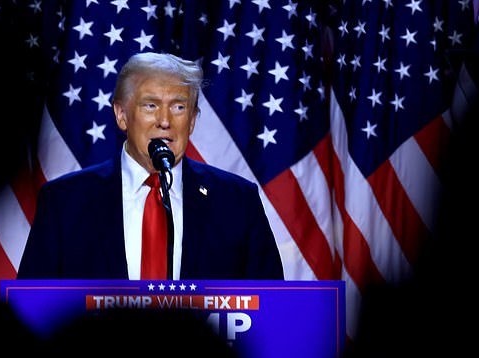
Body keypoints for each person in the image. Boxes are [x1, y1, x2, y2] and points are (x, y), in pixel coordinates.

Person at [17, 52, 284, 281]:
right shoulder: (64, 202)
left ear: (191, 121)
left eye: (179, 107)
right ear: (122, 115)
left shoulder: (237, 202)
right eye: (151, 105)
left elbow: (273, 309)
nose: (164, 120)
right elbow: (31, 309)